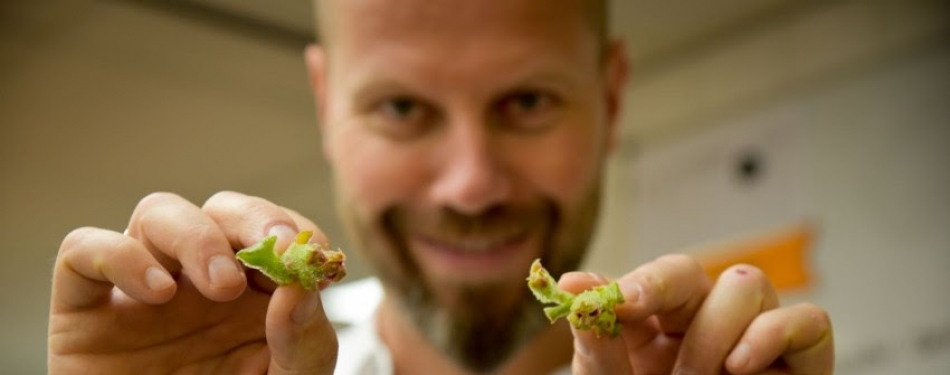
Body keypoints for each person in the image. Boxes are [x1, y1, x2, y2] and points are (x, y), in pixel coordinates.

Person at [47, 0, 834, 374]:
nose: (470, 186)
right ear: (326, 105)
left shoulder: (744, 364)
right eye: (401, 107)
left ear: (613, 98)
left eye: (527, 102)